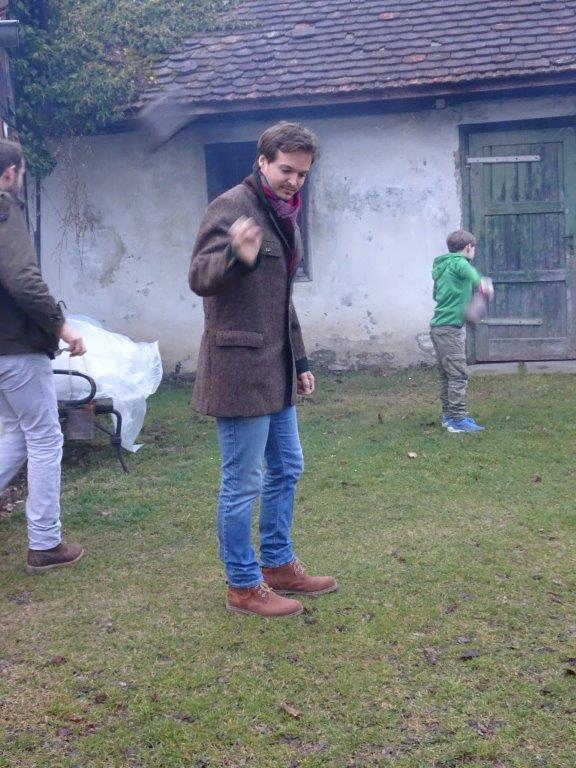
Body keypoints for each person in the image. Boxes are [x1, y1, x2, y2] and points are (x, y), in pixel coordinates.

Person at [189, 122, 337, 618]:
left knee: (288, 466)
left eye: (302, 174)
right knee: (242, 482)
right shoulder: (231, 207)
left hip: (275, 369)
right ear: (262, 161)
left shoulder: (283, 216)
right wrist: (236, 254)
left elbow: (282, 299)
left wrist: (301, 360)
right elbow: (199, 277)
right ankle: (242, 585)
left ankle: (277, 564)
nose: (294, 181)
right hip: (238, 371)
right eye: (286, 170)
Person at [0, 139, 86, 573]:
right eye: (22, 173)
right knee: (46, 439)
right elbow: (23, 279)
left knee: (16, 434)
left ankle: (45, 540)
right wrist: (61, 326)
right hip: (15, 348)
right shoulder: (4, 207)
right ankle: (45, 543)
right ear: (10, 173)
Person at [430, 229, 490, 434]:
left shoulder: (441, 266)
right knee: (458, 375)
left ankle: (449, 417)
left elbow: (436, 296)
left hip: (438, 327)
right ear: (468, 247)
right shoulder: (460, 263)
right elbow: (480, 282)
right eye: (474, 248)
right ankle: (458, 420)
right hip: (450, 330)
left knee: (447, 375)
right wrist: (485, 291)